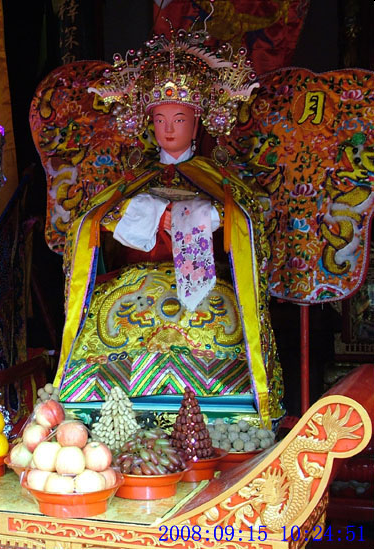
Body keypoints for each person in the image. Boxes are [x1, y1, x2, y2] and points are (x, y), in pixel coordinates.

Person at [50, 28, 284, 427]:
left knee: (223, 312)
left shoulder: (217, 179)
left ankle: (225, 406)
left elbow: (246, 218)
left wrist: (198, 216)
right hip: (135, 288)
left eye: (179, 119)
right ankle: (105, 405)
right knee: (107, 311)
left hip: (203, 289)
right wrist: (152, 215)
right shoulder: (135, 179)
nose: (169, 129)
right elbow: (93, 218)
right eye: (160, 120)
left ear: (197, 124)